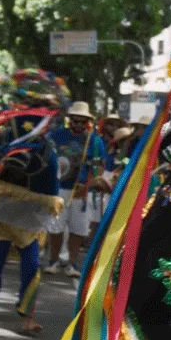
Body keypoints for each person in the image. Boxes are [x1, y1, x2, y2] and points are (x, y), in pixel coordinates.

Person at [44, 101, 106, 277]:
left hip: (82, 193)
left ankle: (73, 264)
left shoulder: (94, 141)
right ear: (69, 120)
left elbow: (99, 167)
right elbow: (47, 160)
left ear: (87, 122)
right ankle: (53, 261)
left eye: (82, 121)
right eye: (75, 121)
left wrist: (91, 184)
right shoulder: (56, 137)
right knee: (55, 227)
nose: (78, 124)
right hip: (58, 189)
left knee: (78, 229)